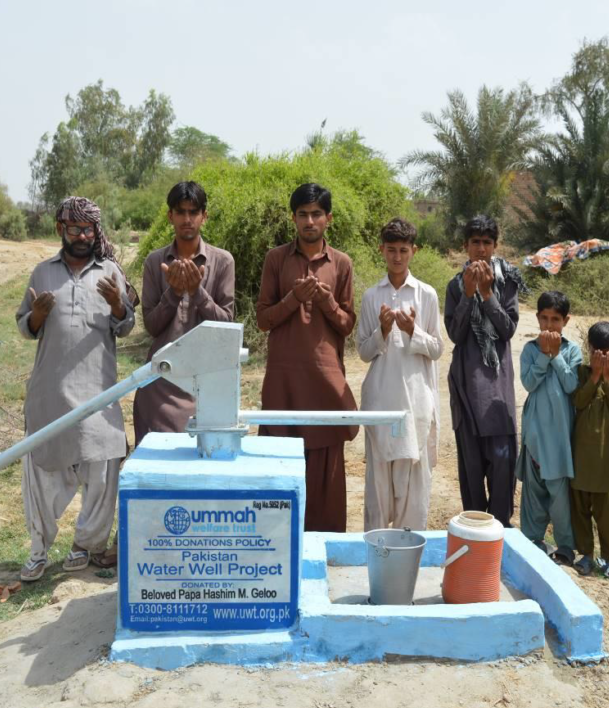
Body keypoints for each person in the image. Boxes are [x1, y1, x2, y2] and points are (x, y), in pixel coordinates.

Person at [15, 197, 136, 581]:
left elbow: (127, 327)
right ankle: (38, 549)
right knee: (43, 472)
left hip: (98, 392)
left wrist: (119, 306)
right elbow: (24, 325)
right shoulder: (42, 272)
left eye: (88, 230)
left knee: (102, 468)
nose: (82, 236)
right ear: (60, 230)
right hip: (50, 391)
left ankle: (86, 543)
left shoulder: (111, 271)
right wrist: (36, 317)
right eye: (74, 229)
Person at [255, 183, 358, 532]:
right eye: (302, 214)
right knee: (276, 469)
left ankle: (325, 548)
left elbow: (346, 325)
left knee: (325, 474)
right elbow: (263, 319)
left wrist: (327, 303)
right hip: (283, 380)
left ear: (328, 219)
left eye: (316, 214)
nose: (309, 221)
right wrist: (293, 299)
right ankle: (274, 546)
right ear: (293, 218)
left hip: (325, 380)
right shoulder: (276, 259)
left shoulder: (341, 263)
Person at [133, 181, 235, 445]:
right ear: (170, 216)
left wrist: (197, 292)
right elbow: (152, 327)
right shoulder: (155, 262)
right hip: (161, 384)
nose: (187, 219)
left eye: (193, 212)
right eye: (180, 212)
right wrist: (175, 293)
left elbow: (226, 325)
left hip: (206, 382)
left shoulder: (222, 261)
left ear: (204, 216)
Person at [357, 218, 443, 531]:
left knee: (413, 489)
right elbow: (364, 352)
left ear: (413, 251)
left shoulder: (426, 295)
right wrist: (382, 329)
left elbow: (436, 349)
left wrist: (411, 330)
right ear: (381, 250)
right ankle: (377, 557)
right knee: (378, 489)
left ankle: (407, 558)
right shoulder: (371, 296)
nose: (397, 256)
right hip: (381, 401)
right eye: (391, 250)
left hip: (416, 403)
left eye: (403, 250)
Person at [444, 215, 522, 526]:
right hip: (466, 388)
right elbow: (455, 334)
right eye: (475, 242)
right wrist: (468, 293)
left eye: (486, 243)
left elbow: (507, 329)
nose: (480, 249)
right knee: (472, 473)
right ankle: (476, 533)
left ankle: (500, 533)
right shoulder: (455, 285)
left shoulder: (508, 281)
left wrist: (487, 294)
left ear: (495, 246)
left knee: (503, 467)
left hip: (497, 391)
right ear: (465, 246)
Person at [517, 291, 582, 564]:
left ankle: (565, 545)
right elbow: (529, 383)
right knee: (533, 491)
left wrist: (555, 355)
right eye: (544, 318)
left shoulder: (572, 350)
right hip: (534, 433)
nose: (549, 325)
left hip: (559, 436)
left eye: (555, 319)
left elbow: (571, 385)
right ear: (537, 318)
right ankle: (532, 540)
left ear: (565, 321)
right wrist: (543, 355)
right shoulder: (530, 349)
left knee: (559, 494)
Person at [571, 321, 609, 579]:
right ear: (589, 349)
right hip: (581, 457)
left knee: (607, 514)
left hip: (606, 460)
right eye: (597, 352)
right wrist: (594, 375)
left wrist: (606, 377)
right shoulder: (582, 372)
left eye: (607, 353)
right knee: (580, 511)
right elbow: (579, 401)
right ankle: (585, 555)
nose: (602, 358)